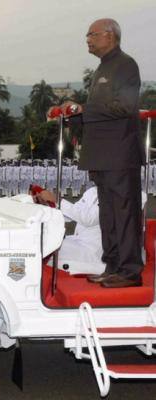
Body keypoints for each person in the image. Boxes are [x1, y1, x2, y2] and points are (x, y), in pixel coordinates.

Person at [58, 18, 144, 288]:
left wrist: (83, 110)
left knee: (124, 213)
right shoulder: (102, 68)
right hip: (102, 155)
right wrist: (73, 117)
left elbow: (126, 107)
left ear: (110, 35)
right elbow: (99, 112)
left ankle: (130, 272)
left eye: (92, 34)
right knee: (108, 214)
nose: (88, 38)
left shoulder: (125, 64)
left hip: (120, 153)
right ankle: (113, 266)